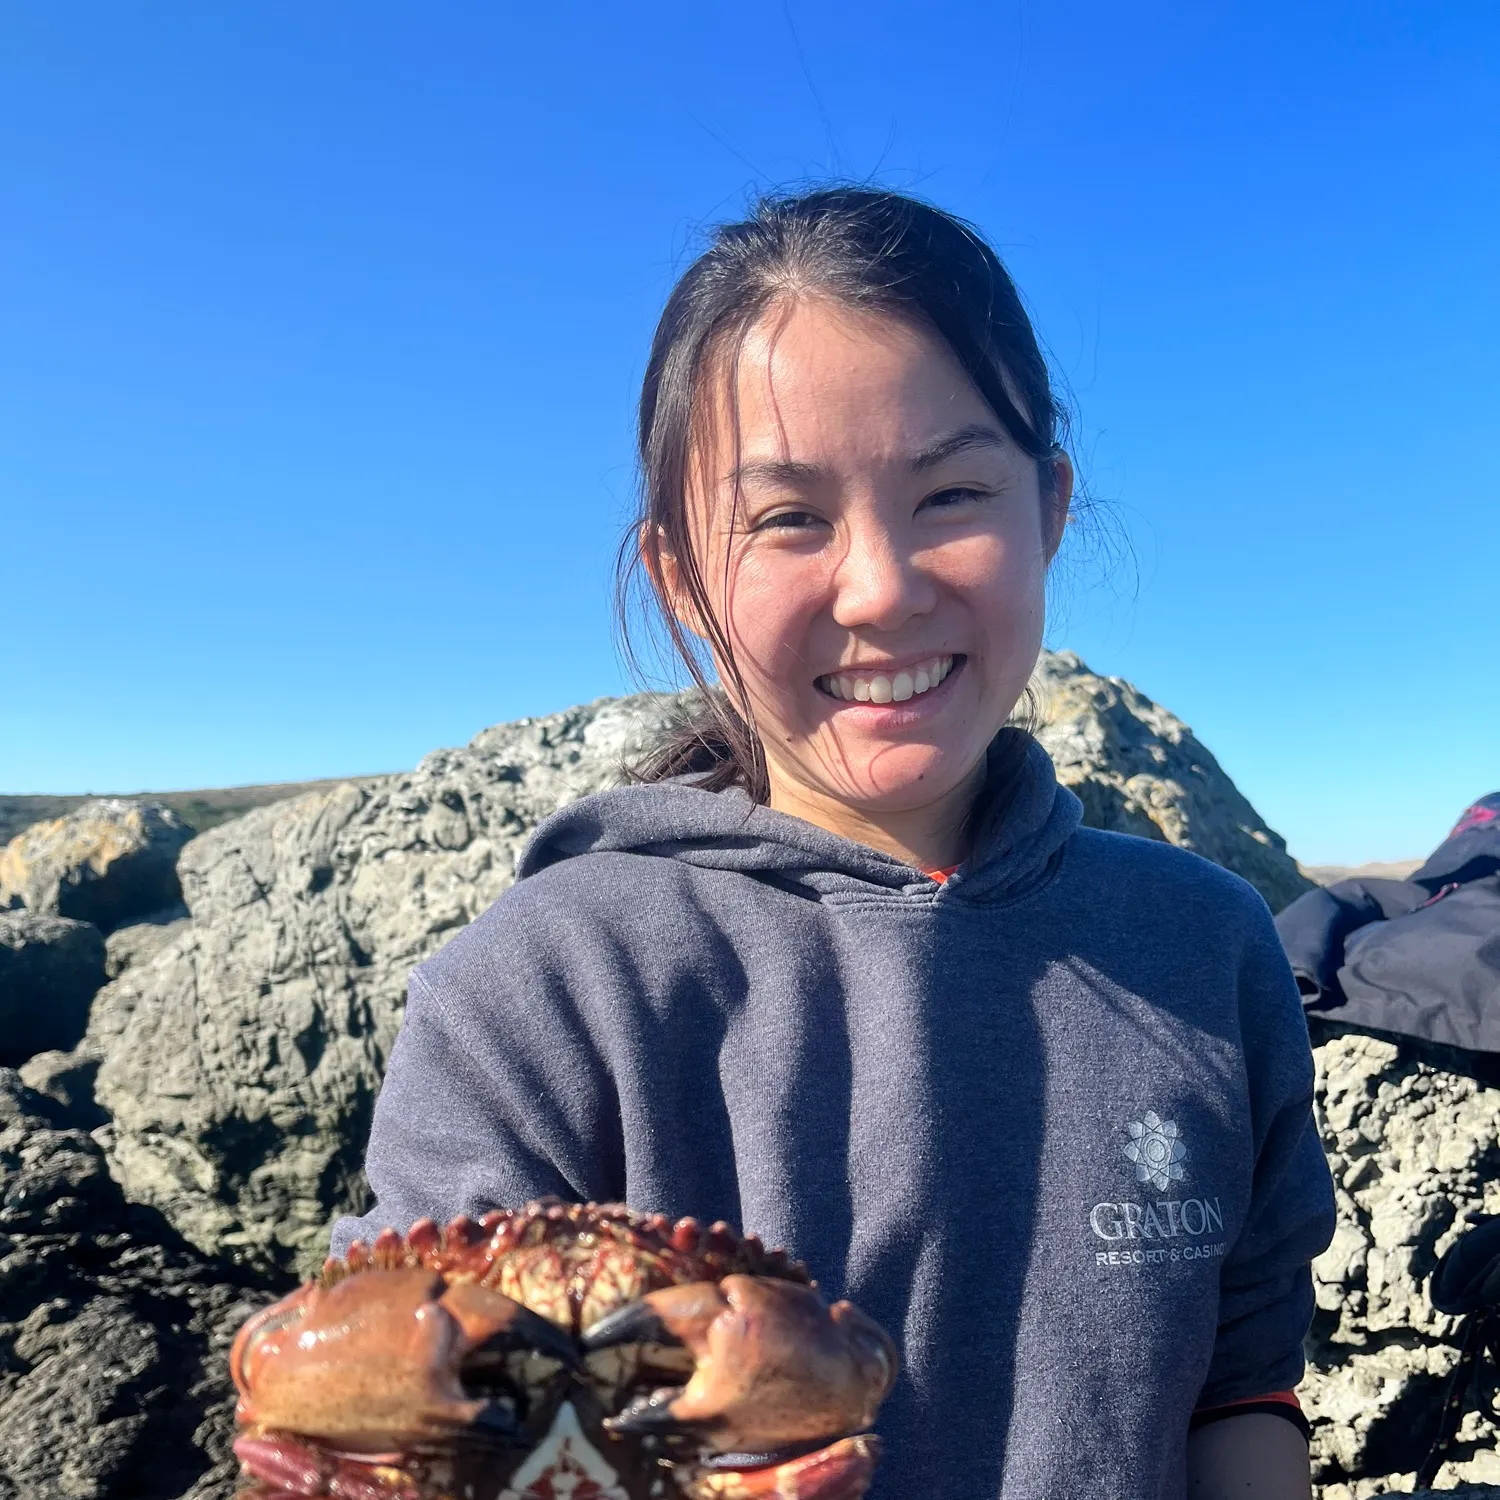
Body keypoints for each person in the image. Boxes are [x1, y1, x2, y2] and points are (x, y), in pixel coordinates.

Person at [334, 188, 1336, 1500]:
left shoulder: (1205, 948)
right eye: (787, 518)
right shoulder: (536, 992)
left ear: (1051, 508)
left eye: (952, 493)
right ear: (681, 577)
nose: (880, 588)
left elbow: (1241, 1391)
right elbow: (381, 1426)